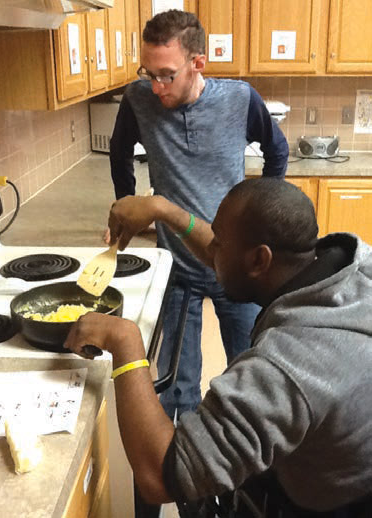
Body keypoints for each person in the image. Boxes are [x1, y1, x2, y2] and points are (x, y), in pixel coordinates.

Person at [66, 178, 372, 517]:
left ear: (259, 260)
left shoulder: (289, 366)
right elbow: (230, 260)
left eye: (219, 243)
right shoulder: (350, 262)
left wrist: (127, 345)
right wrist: (164, 210)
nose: (211, 251)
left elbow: (160, 478)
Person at [109, 9, 289, 422]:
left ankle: (248, 476)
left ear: (198, 63)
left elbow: (277, 151)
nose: (155, 87)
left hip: (237, 270)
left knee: (249, 376)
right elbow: (119, 152)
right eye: (147, 72)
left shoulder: (240, 99)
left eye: (166, 75)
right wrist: (125, 204)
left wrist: (263, 210)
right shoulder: (138, 99)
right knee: (176, 387)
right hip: (176, 270)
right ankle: (187, 478)